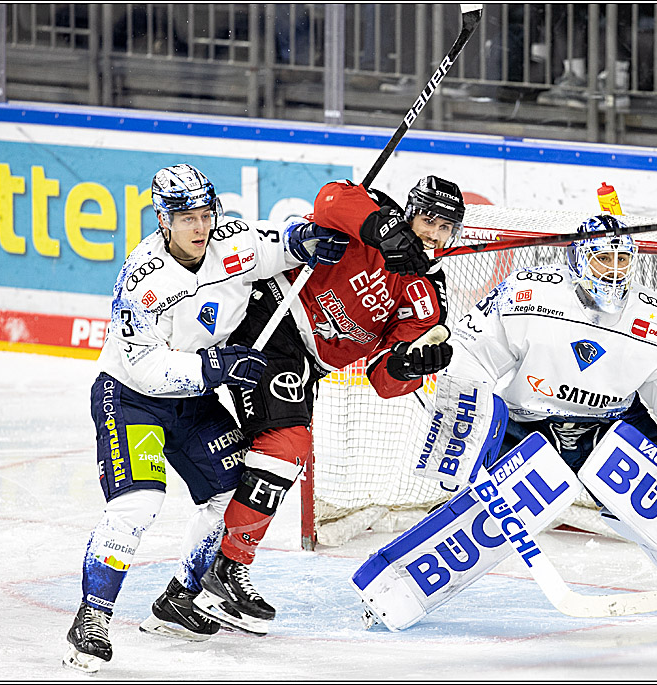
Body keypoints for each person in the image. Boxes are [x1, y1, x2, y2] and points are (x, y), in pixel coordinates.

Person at [351, 215, 657, 630]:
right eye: (601, 260)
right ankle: (396, 587)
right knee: (485, 520)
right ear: (577, 261)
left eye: (621, 261)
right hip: (527, 425)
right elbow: (472, 352)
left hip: (611, 426)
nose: (612, 271)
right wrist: (466, 415)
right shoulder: (529, 293)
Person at [62, 163, 348, 674]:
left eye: (205, 212)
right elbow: (141, 363)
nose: (200, 226)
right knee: (139, 503)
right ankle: (92, 618)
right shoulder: (142, 280)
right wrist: (212, 366)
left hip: (191, 402)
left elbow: (279, 246)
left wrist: (307, 240)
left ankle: (181, 597)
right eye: (186, 216)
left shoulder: (231, 240)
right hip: (132, 399)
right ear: (163, 220)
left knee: (232, 490)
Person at [184, 175, 465, 635]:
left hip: (306, 362)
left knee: (284, 454)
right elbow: (330, 198)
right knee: (286, 445)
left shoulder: (429, 296)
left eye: (446, 227)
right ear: (410, 211)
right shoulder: (376, 215)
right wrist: (383, 231)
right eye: (428, 219)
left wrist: (414, 368)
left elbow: (381, 379)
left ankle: (187, 592)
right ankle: (225, 571)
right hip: (272, 313)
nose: (434, 234)